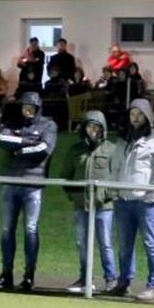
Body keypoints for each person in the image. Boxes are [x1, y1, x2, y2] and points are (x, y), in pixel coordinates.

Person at [0, 92, 57, 291]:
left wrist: (19, 147)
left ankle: (29, 276)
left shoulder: (48, 125)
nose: (28, 111)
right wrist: (28, 142)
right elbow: (2, 139)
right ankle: (6, 274)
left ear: (38, 108)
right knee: (6, 229)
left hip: (33, 184)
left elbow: (44, 148)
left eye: (31, 108)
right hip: (10, 181)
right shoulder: (12, 121)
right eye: (25, 107)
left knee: (30, 229)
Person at [109, 99, 154, 300]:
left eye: (139, 114)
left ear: (148, 116)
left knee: (151, 243)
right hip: (123, 200)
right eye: (132, 114)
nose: (135, 118)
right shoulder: (123, 139)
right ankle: (124, 282)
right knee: (124, 244)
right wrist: (115, 191)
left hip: (146, 202)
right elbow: (115, 167)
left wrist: (153, 194)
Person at [59, 110, 117, 292]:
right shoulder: (75, 150)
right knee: (82, 243)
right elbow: (65, 177)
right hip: (81, 206)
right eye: (90, 126)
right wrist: (74, 195)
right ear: (84, 128)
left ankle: (111, 279)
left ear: (103, 128)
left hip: (104, 206)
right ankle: (85, 278)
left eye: (97, 127)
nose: (93, 130)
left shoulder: (111, 149)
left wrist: (106, 195)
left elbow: (117, 177)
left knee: (105, 243)